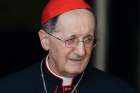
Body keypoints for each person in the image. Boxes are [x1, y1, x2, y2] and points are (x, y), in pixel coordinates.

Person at [0, 0, 136, 93]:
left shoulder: (118, 89)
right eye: (71, 40)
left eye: (88, 40)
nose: (81, 52)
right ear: (45, 40)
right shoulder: (9, 88)